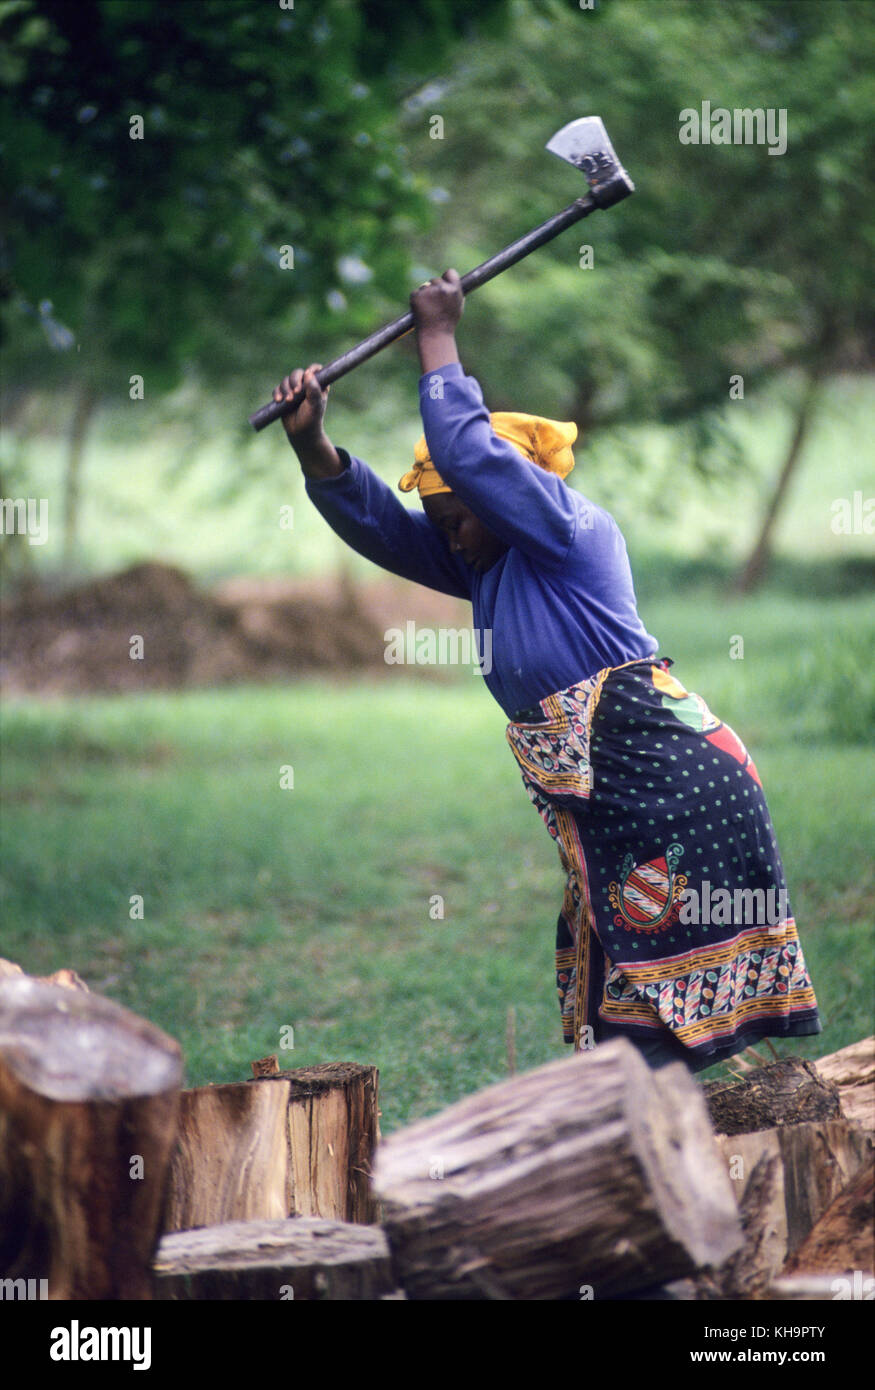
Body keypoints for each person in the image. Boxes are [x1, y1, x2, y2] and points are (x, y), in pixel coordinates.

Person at [273, 268, 822, 1074]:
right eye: (443, 520)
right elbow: (383, 529)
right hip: (613, 800)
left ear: (503, 498)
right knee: (623, 983)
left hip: (671, 779)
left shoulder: (568, 532)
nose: (450, 537)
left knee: (653, 1000)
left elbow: (468, 453)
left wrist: (437, 334)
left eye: (459, 517)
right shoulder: (483, 563)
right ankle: (651, 1150)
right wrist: (310, 442)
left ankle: (689, 1149)